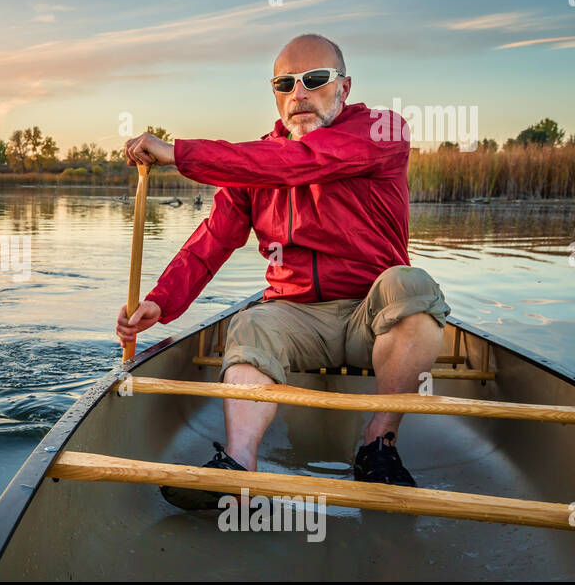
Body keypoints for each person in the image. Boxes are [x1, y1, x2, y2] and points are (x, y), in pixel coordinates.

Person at [117, 34, 449, 509]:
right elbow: (213, 240)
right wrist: (160, 301)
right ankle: (238, 466)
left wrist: (180, 153)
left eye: (315, 80)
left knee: (413, 286)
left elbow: (302, 163)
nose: (299, 94)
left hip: (371, 316)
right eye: (285, 83)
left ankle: (378, 444)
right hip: (295, 317)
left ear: (345, 87)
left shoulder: (382, 131)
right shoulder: (257, 162)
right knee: (250, 321)